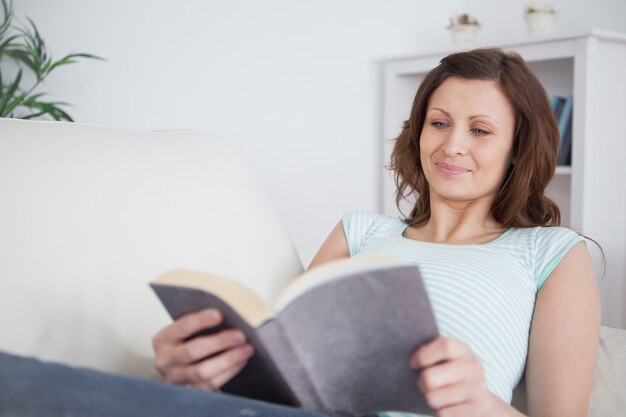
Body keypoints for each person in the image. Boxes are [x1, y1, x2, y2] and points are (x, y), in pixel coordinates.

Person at [0, 48, 600, 417]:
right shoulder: (361, 232)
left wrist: (480, 407)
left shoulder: (551, 254)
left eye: (480, 130)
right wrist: (199, 372)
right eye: (439, 122)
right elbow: (289, 357)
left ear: (521, 147)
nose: (452, 145)